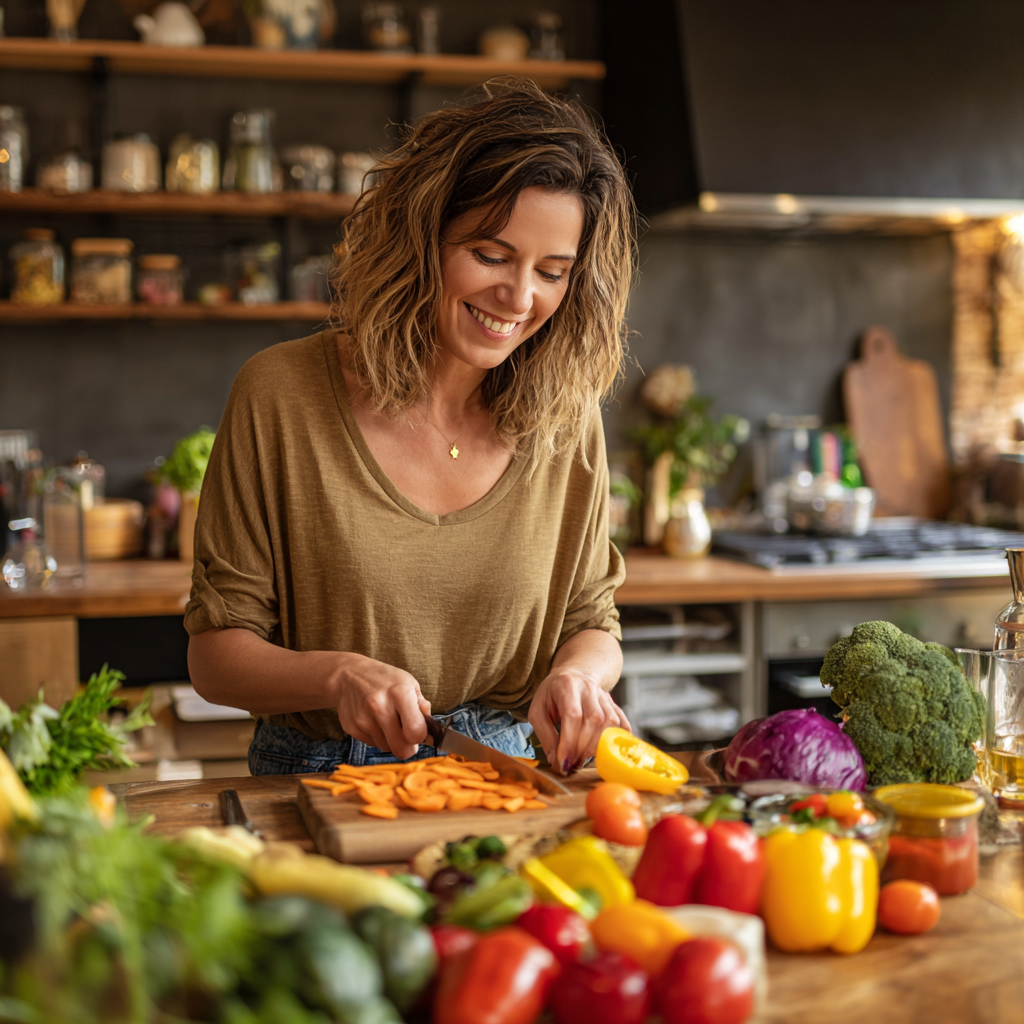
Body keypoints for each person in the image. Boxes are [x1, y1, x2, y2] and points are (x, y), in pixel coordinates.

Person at [185, 79, 637, 776]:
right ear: (421, 239)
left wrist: (577, 678)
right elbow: (216, 657)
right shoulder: (280, 394)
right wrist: (336, 678)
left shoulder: (565, 417)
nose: (519, 298)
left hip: (506, 773)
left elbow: (593, 622)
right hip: (316, 779)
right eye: (490, 255)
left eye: (552, 271)